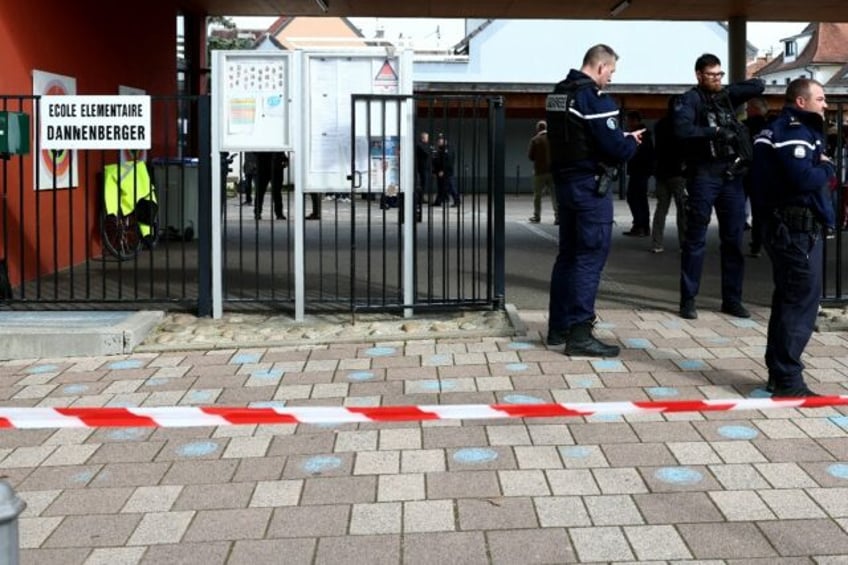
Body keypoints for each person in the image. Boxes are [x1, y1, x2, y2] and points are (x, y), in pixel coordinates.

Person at [545, 44, 643, 357]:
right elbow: (614, 149)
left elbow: (579, 137)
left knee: (568, 256)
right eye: (611, 73)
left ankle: (558, 328)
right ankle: (580, 333)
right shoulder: (594, 99)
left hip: (566, 185)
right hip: (590, 189)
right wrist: (631, 143)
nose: (611, 79)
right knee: (589, 259)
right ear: (600, 67)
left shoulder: (558, 95)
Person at [750, 78, 835, 397]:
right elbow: (803, 179)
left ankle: (779, 373)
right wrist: (827, 169)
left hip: (786, 227)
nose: (825, 104)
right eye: (821, 98)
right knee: (800, 302)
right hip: (795, 229)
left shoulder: (779, 128)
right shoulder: (795, 131)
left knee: (788, 299)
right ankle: (788, 381)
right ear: (801, 102)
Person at [674, 53, 764, 320]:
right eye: (711, 75)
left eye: (719, 74)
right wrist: (713, 132)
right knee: (695, 240)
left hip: (731, 177)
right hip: (703, 175)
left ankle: (732, 300)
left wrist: (724, 87)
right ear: (698, 75)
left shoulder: (724, 96)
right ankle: (688, 300)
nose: (716, 79)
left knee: (733, 241)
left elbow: (757, 86)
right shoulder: (689, 100)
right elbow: (682, 131)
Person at [650, 97, 688, 253]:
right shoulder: (683, 125)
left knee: (661, 209)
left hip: (661, 172)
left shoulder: (660, 125)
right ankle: (684, 244)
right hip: (678, 173)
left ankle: (656, 243)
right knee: (683, 210)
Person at [742, 97, 770, 257]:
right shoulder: (770, 128)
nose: (746, 110)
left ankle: (732, 239)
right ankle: (757, 245)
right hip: (763, 174)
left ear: (754, 109)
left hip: (744, 172)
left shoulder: (744, 127)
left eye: (748, 108)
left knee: (737, 207)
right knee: (760, 212)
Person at [622, 111, 654, 237]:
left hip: (640, 170)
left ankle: (641, 225)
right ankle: (642, 225)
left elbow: (639, 153)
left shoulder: (639, 135)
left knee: (636, 197)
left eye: (629, 120)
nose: (627, 123)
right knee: (638, 198)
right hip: (641, 170)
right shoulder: (645, 135)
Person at [527, 120, 558, 224]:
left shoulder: (535, 140)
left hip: (539, 172)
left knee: (537, 196)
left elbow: (530, 156)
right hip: (553, 171)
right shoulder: (553, 140)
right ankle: (558, 217)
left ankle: (537, 216)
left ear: (538, 129)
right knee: (554, 195)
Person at [253, 151, 289, 221]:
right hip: (263, 166)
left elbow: (281, 150)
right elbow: (255, 151)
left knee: (276, 192)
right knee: (260, 192)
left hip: (275, 167)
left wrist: (284, 159)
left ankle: (279, 214)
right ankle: (257, 213)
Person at [432, 134, 460, 207]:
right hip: (440, 172)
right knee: (441, 187)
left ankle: (457, 201)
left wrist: (443, 171)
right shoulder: (440, 149)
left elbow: (448, 162)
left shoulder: (448, 149)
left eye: (440, 141)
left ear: (445, 141)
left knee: (451, 187)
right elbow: (437, 161)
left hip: (447, 172)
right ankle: (438, 202)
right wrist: (435, 171)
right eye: (438, 141)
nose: (439, 142)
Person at [415, 131, 433, 207]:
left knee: (424, 183)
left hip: (426, 167)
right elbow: (428, 153)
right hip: (422, 167)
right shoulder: (420, 145)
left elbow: (431, 153)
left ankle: (421, 197)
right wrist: (431, 150)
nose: (428, 139)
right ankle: (420, 198)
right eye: (427, 137)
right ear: (423, 138)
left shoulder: (426, 145)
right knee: (423, 183)